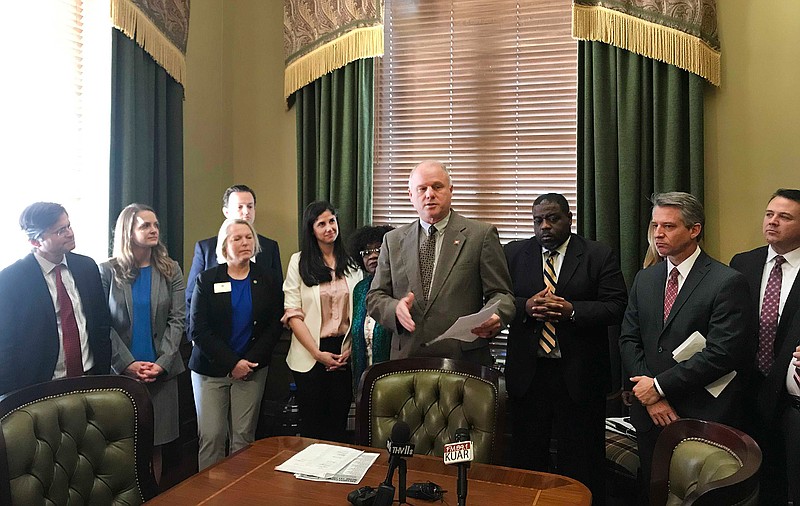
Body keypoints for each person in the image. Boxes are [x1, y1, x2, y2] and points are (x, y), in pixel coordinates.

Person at [619, 192, 753, 497]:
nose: (658, 234)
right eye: (655, 226)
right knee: (653, 492)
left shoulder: (726, 281)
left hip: (700, 411)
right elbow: (629, 338)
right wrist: (650, 394)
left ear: (694, 230)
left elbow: (722, 353)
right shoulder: (646, 279)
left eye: (668, 226)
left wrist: (661, 387)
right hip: (649, 411)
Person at [503, 194, 627, 504]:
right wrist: (525, 307)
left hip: (579, 376)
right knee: (527, 460)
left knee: (581, 461)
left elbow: (616, 307)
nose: (544, 226)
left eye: (552, 218)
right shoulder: (513, 254)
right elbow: (495, 300)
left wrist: (572, 311)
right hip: (529, 376)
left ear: (569, 218)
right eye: (538, 220)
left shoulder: (598, 254)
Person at [366, 160, 515, 366]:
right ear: (411, 196)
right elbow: (375, 296)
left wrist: (496, 315)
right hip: (408, 358)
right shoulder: (393, 240)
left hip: (462, 359)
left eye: (437, 186)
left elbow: (502, 294)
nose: (429, 194)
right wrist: (394, 309)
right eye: (422, 189)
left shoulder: (480, 235)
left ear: (450, 190)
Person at [99, 203, 185, 482]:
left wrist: (161, 364)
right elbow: (102, 326)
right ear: (128, 231)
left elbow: (177, 320)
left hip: (161, 374)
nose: (153, 230)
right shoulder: (107, 272)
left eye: (156, 225)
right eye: (145, 225)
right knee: (121, 446)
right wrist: (127, 364)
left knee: (155, 447)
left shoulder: (170, 269)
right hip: (121, 376)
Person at [189, 218, 284, 470]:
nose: (245, 242)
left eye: (249, 237)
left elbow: (275, 325)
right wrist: (232, 363)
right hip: (210, 370)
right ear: (224, 246)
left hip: (251, 370)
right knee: (212, 437)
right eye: (237, 238)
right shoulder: (207, 280)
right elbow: (198, 330)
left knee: (243, 439)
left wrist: (247, 363)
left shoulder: (269, 279)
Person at [730, 188, 800, 504]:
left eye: (784, 217)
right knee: (751, 481)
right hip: (746, 388)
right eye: (769, 214)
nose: (772, 222)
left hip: (791, 397)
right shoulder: (743, 263)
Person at [0, 202, 111, 395]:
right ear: (36, 242)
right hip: (40, 385)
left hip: (91, 375)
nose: (70, 233)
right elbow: (6, 343)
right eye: (60, 231)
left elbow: (101, 322)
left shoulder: (87, 267)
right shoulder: (12, 279)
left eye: (68, 226)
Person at [283, 201, 362, 443]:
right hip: (309, 353)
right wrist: (317, 353)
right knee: (312, 429)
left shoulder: (351, 262)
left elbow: (360, 309)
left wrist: (349, 350)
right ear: (311, 230)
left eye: (332, 221)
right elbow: (292, 313)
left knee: (337, 427)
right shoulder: (299, 262)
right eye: (321, 224)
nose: (329, 228)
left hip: (343, 353)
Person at [186, 184, 282, 331]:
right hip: (211, 339)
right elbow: (191, 297)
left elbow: (277, 297)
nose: (246, 212)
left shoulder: (270, 247)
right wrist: (192, 335)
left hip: (258, 341)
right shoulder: (206, 249)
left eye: (250, 207)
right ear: (226, 211)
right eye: (240, 207)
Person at [349, 225, 394, 391]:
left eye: (379, 249)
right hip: (364, 375)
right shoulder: (360, 289)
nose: (373, 256)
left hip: (394, 379)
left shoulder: (400, 287)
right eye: (366, 252)